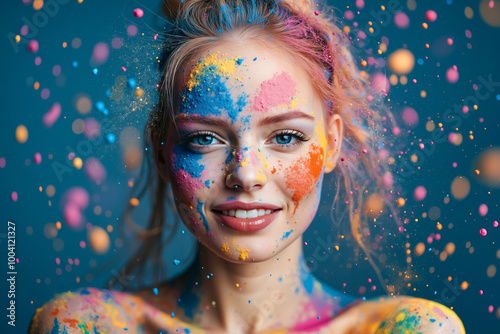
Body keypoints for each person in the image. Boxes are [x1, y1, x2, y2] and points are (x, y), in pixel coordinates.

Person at [29, 0, 466, 333]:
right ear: (163, 151)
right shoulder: (83, 325)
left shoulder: (412, 329)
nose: (247, 174)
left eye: (285, 138)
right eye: (204, 139)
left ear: (331, 144)